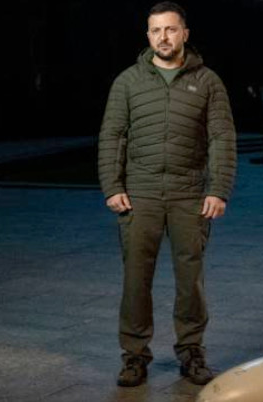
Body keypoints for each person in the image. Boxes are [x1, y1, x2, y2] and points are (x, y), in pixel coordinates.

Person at [97, 1, 236, 387]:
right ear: (148, 35)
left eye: (171, 29)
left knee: (190, 279)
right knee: (135, 279)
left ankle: (191, 352)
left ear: (185, 34)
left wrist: (218, 190)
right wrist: (112, 186)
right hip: (139, 195)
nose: (163, 37)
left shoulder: (208, 82)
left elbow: (222, 138)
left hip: (189, 194)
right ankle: (134, 356)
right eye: (156, 30)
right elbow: (112, 135)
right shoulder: (128, 81)